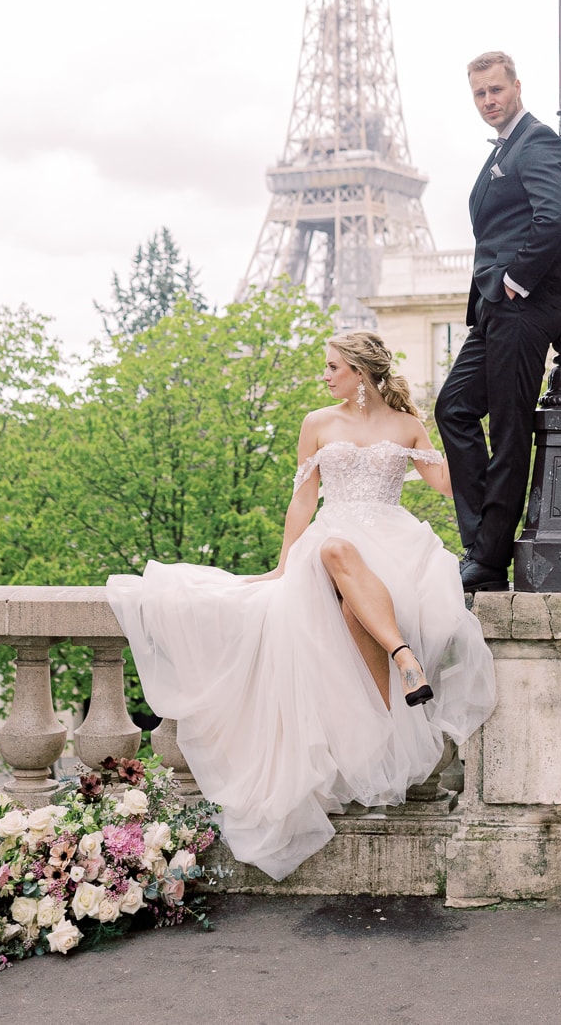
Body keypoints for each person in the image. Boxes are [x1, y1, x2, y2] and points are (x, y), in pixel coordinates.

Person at [107, 331, 496, 882]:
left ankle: (377, 732)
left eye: (333, 367)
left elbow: (446, 484)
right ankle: (403, 658)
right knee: (336, 548)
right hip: (332, 541)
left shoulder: (408, 425)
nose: (326, 375)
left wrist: (484, 443)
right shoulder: (317, 423)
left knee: (350, 612)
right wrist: (286, 562)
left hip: (394, 544)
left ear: (360, 373)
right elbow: (304, 499)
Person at [435, 51, 561, 594]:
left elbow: (556, 218)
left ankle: (489, 560)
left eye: (496, 90)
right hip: (494, 307)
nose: (488, 101)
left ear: (517, 86)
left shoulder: (535, 141)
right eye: (479, 94)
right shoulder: (506, 147)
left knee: (511, 430)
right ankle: (481, 542)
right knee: (454, 408)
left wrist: (516, 280)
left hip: (521, 304)